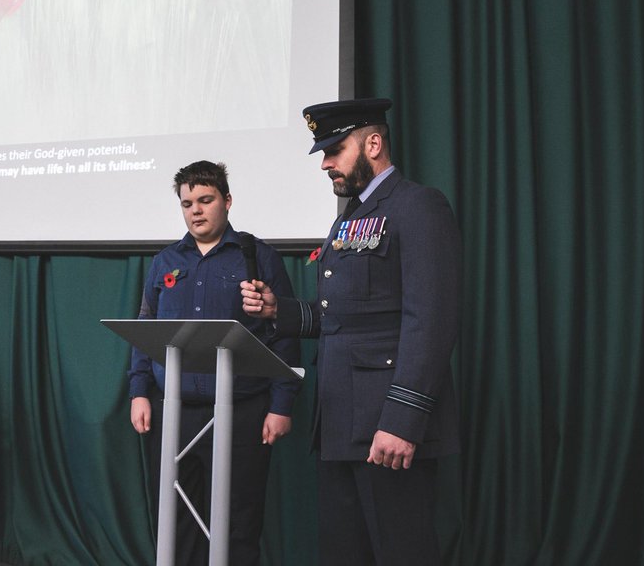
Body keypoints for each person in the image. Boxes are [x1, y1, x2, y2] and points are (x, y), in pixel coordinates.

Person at [242, 98, 461, 566]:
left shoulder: (417, 206)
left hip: (388, 424)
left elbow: (432, 320)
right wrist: (278, 310)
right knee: (345, 553)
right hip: (341, 421)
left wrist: (402, 420)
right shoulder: (347, 219)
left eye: (335, 150)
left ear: (374, 143)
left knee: (403, 553)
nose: (325, 163)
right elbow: (338, 318)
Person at [129, 160, 299, 566]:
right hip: (175, 412)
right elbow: (144, 330)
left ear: (227, 201)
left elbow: (283, 333)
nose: (196, 211)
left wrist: (281, 405)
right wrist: (139, 391)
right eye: (187, 203)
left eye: (205, 200)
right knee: (177, 520)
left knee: (239, 518)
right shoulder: (165, 262)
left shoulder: (258, 257)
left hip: (243, 411)